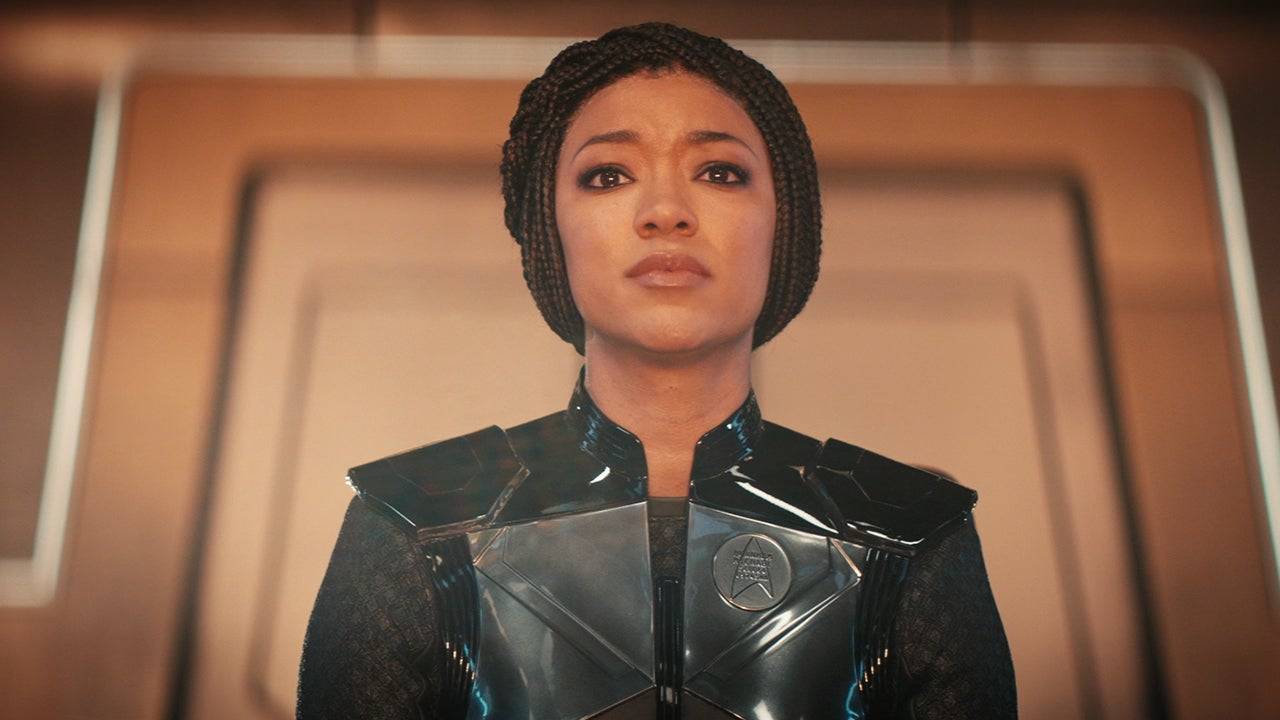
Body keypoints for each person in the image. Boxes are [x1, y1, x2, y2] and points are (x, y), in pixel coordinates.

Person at [297, 22, 1016, 720]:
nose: (666, 212)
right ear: (550, 229)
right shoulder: (413, 524)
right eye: (608, 175)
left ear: (783, 223)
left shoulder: (909, 537)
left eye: (720, 172)